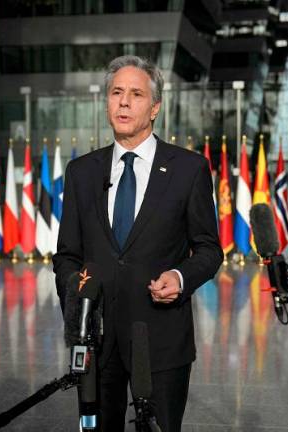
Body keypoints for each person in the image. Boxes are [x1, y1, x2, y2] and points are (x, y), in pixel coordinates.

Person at [53, 55, 223, 432]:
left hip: (160, 340)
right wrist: (78, 296)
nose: (124, 102)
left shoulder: (189, 169)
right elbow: (66, 256)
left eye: (135, 94)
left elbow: (210, 250)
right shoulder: (82, 172)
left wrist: (180, 277)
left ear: (155, 107)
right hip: (96, 342)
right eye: (116, 93)